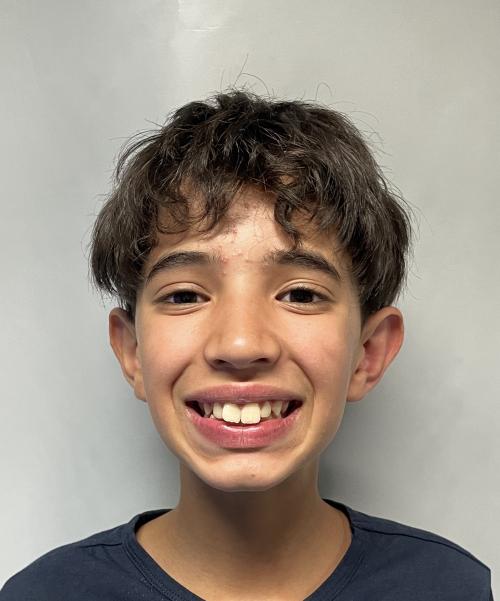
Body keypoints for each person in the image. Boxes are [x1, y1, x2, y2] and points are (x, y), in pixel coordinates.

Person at [0, 90, 493, 600]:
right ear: (132, 353)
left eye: (300, 294)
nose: (239, 344)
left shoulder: (448, 587)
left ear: (367, 354)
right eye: (185, 295)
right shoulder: (44, 594)